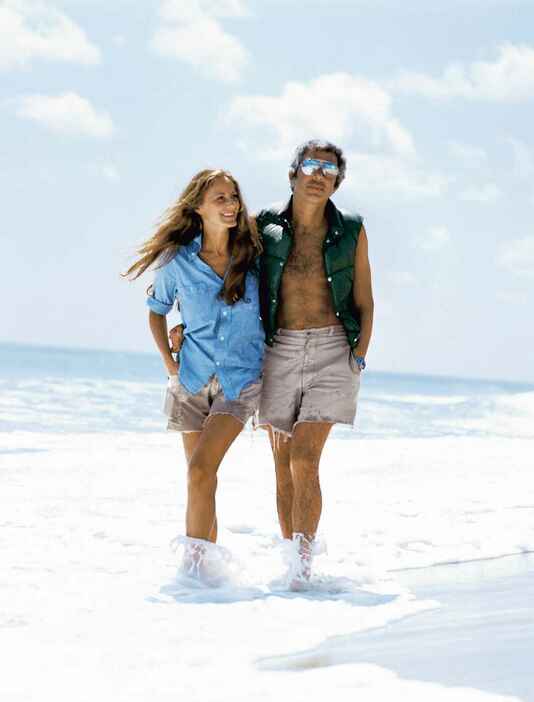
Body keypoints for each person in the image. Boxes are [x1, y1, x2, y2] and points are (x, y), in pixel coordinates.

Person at [124, 169, 264, 580]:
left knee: (201, 470)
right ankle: (207, 578)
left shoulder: (254, 259)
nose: (230, 204)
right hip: (190, 380)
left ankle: (192, 573)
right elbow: (156, 311)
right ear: (198, 207)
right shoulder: (177, 264)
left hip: (240, 383)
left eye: (234, 196)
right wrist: (171, 364)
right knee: (201, 479)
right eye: (219, 198)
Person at [255, 139, 374, 588]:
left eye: (329, 169)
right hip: (278, 348)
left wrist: (357, 357)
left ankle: (303, 566)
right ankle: (292, 566)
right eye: (311, 165)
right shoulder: (265, 225)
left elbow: (364, 299)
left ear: (337, 182)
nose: (319, 173)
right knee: (282, 462)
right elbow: (230, 277)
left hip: (331, 349)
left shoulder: (353, 229)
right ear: (294, 174)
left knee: (304, 457)